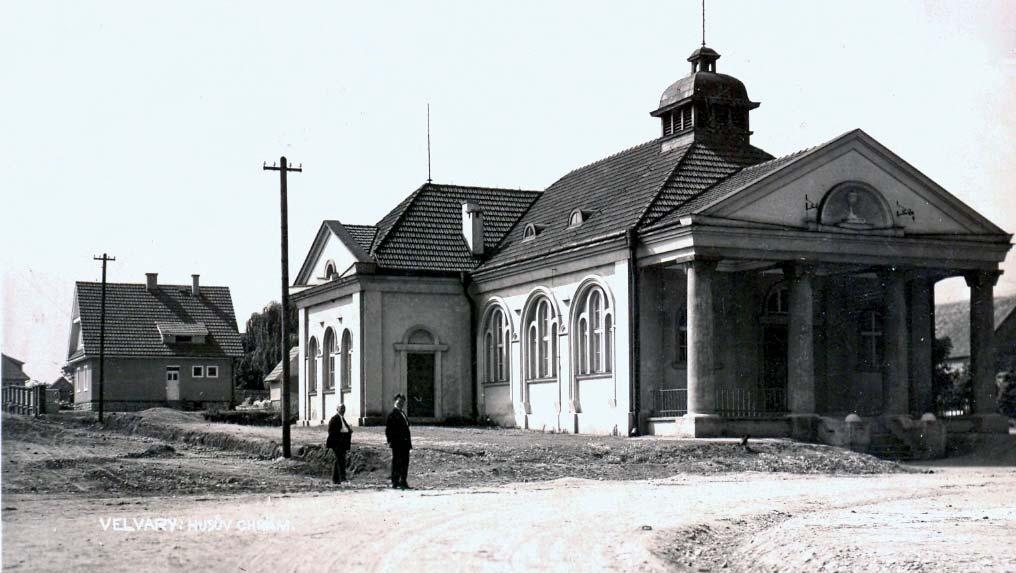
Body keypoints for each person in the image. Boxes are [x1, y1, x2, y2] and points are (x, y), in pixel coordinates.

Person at [385, 393, 412, 489]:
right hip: (397, 443)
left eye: (402, 402)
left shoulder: (403, 413)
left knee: (405, 463)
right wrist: (391, 441)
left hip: (405, 443)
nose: (401, 403)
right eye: (399, 401)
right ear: (395, 401)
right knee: (396, 463)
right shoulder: (392, 414)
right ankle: (395, 482)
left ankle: (403, 481)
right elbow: (388, 430)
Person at [326, 403, 353, 484]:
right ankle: (343, 479)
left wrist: (349, 430)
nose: (343, 410)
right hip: (336, 443)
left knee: (338, 460)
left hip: (342, 443)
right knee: (341, 461)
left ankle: (335, 479)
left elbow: (345, 428)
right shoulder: (334, 419)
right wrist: (342, 432)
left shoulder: (342, 418)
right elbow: (331, 431)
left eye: (344, 408)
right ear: (337, 409)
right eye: (341, 408)